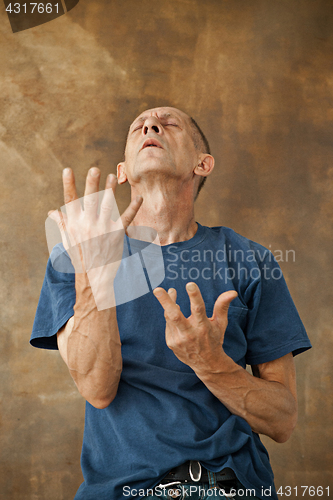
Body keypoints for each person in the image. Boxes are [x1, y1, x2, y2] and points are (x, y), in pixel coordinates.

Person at [31, 107, 311, 500]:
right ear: (123, 170)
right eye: (139, 127)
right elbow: (97, 389)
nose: (150, 126)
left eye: (169, 123)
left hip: (234, 488)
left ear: (203, 163)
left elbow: (282, 420)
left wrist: (209, 362)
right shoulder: (74, 255)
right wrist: (95, 276)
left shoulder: (251, 260)